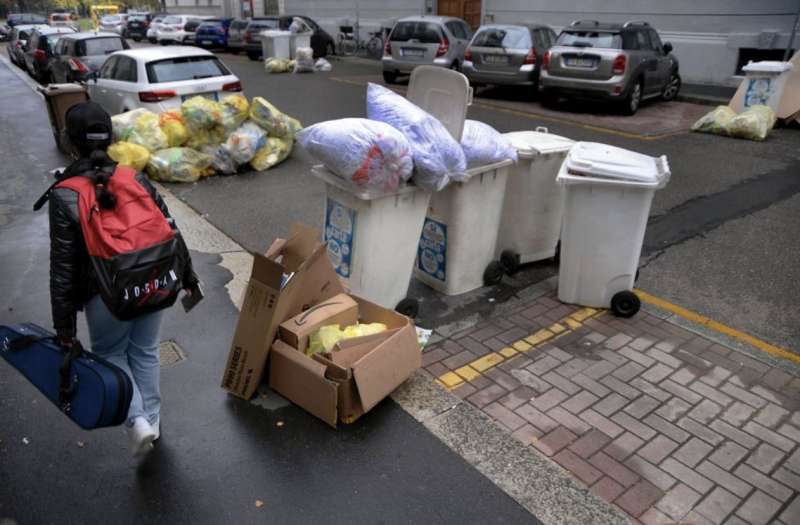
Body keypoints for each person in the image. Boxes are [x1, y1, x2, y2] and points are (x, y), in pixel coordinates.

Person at [48, 102, 199, 457]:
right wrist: (188, 277)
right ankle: (154, 421)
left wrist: (64, 329)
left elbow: (63, 269)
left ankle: (137, 422)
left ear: (69, 141)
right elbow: (171, 231)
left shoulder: (65, 193)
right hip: (155, 281)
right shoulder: (136, 178)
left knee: (112, 353)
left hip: (106, 294)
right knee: (145, 351)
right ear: (113, 137)